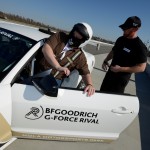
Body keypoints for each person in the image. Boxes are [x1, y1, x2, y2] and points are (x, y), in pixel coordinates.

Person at [37, 22, 95, 96]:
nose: (76, 35)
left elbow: (85, 73)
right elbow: (46, 48)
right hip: (39, 71)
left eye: (79, 35)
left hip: (54, 80)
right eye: (76, 31)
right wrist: (58, 66)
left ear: (84, 40)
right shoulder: (59, 36)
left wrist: (90, 84)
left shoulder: (79, 56)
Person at [100, 16, 147, 94]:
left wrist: (121, 69)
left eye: (126, 29)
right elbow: (113, 51)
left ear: (135, 29)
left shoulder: (140, 47)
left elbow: (141, 67)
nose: (123, 30)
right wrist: (105, 60)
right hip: (109, 75)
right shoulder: (120, 39)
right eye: (123, 28)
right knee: (101, 95)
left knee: (113, 101)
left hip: (120, 81)